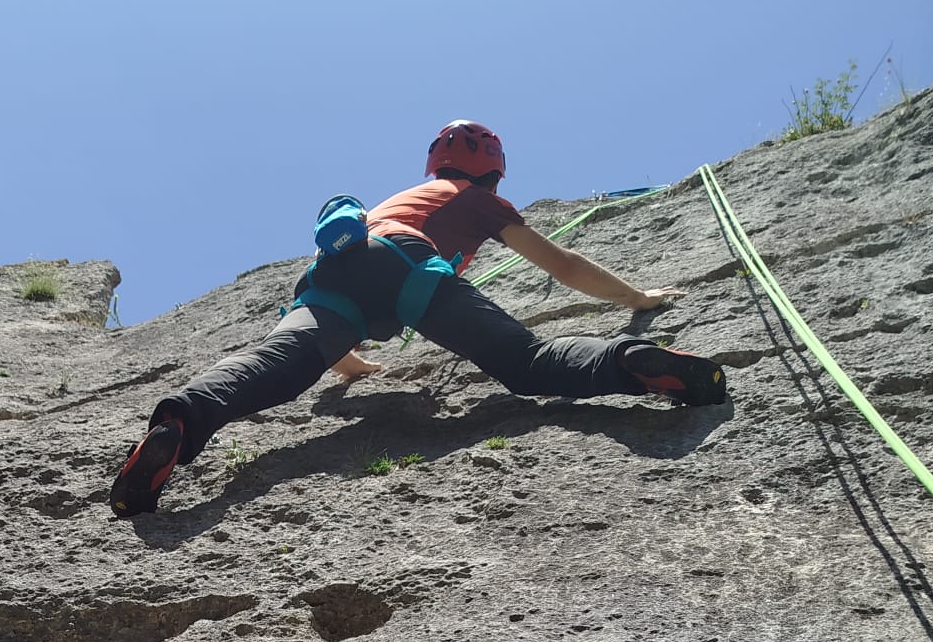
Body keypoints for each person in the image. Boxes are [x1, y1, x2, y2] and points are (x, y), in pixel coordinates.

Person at [109, 119, 726, 518]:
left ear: (436, 161)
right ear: (493, 167)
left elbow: (330, 348)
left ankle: (180, 425)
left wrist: (354, 366)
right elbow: (561, 265)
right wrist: (638, 299)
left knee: (269, 367)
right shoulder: (476, 199)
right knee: (528, 362)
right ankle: (634, 364)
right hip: (412, 270)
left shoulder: (389, 202)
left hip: (333, 274)